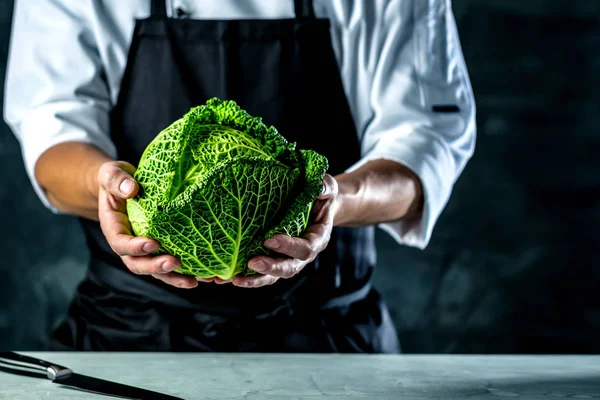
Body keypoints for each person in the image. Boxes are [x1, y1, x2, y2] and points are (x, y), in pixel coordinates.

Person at [4, 0, 475, 353]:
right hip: (127, 331)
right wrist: (106, 185)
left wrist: (334, 199)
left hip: (326, 337)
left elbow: (425, 144)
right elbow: (50, 128)